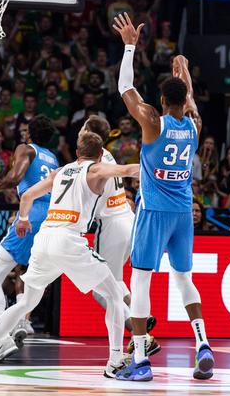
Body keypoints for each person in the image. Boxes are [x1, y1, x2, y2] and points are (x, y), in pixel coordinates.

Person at [0, 131, 138, 375]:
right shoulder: (96, 170)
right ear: (100, 155)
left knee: (26, 301)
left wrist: (23, 220)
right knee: (113, 296)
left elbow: (26, 195)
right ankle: (115, 361)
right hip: (69, 240)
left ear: (77, 153)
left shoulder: (60, 172)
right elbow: (128, 170)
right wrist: (156, 169)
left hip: (44, 239)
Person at [112, 13, 213, 382]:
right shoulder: (194, 126)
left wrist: (129, 46)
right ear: (185, 99)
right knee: (185, 280)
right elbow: (190, 101)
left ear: (160, 99)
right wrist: (183, 67)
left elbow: (125, 87)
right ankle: (203, 343)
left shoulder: (153, 122)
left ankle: (140, 360)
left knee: (140, 281)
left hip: (153, 210)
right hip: (183, 212)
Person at [0, 115, 59, 336]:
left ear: (29, 132)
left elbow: (15, 176)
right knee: (26, 273)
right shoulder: (53, 158)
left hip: (33, 213)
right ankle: (22, 321)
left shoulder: (26, 148)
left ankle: (1, 326)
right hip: (53, 218)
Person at [81, 115, 153, 336]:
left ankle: (141, 334)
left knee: (101, 291)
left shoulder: (91, 164)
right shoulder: (108, 155)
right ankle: (140, 313)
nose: (79, 130)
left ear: (88, 134)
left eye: (83, 127)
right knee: (116, 281)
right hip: (127, 221)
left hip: (112, 226)